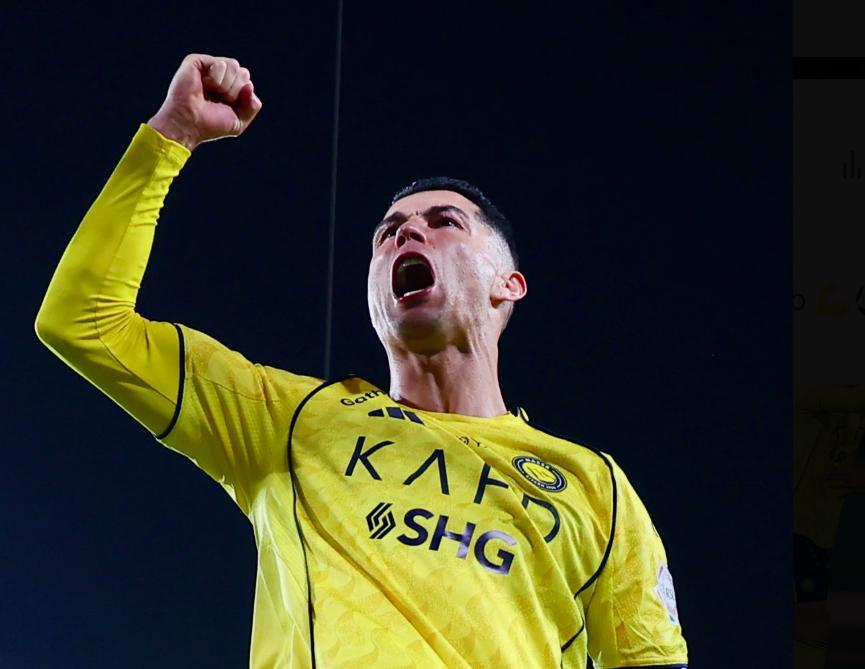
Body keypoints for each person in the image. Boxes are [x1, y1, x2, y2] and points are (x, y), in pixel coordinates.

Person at [35, 53, 688, 669]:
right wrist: (171, 134)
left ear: (507, 284)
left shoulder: (593, 486)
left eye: (445, 222)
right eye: (388, 233)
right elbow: (82, 321)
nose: (407, 232)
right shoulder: (289, 421)